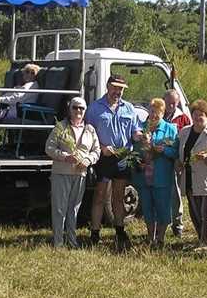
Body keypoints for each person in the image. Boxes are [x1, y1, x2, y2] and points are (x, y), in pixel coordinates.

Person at [84, 74, 139, 252]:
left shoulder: (129, 108)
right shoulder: (94, 108)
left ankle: (120, 230)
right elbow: (87, 134)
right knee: (100, 196)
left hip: (123, 156)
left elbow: (135, 131)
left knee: (118, 196)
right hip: (104, 157)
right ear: (108, 86)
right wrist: (101, 147)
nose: (118, 92)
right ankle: (95, 232)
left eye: (121, 89)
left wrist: (141, 136)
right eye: (115, 88)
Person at [45, 97, 100, 248]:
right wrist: (64, 156)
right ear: (70, 109)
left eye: (81, 108)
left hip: (80, 174)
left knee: (74, 208)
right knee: (59, 208)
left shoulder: (90, 129)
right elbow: (49, 148)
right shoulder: (60, 127)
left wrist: (88, 160)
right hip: (61, 172)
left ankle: (72, 241)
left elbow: (97, 150)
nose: (78, 111)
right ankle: (58, 242)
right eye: (75, 107)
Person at [177, 99, 207, 248]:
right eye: (195, 114)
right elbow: (180, 151)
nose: (198, 117)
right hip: (190, 178)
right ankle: (201, 239)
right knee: (195, 212)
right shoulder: (185, 131)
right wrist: (178, 161)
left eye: (202, 115)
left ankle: (206, 244)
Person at [131, 98, 178, 248]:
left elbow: (176, 152)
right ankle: (150, 237)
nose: (154, 115)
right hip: (144, 176)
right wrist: (140, 156)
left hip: (162, 175)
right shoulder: (140, 128)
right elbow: (133, 151)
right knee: (147, 207)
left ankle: (161, 238)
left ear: (163, 113)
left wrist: (164, 150)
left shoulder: (170, 129)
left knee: (162, 207)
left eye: (158, 112)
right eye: (152, 111)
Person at [0, 63, 40, 146]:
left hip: (17, 112)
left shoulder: (31, 86)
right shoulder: (25, 86)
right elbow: (10, 95)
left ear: (32, 73)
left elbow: (16, 98)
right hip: (12, 110)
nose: (23, 75)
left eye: (26, 72)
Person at [164, 89, 191, 237]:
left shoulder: (183, 119)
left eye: (174, 103)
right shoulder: (157, 115)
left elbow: (188, 140)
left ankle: (177, 224)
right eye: (168, 102)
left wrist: (181, 160)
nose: (171, 105)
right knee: (161, 192)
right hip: (160, 159)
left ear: (178, 102)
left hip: (175, 161)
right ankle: (162, 222)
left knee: (176, 193)